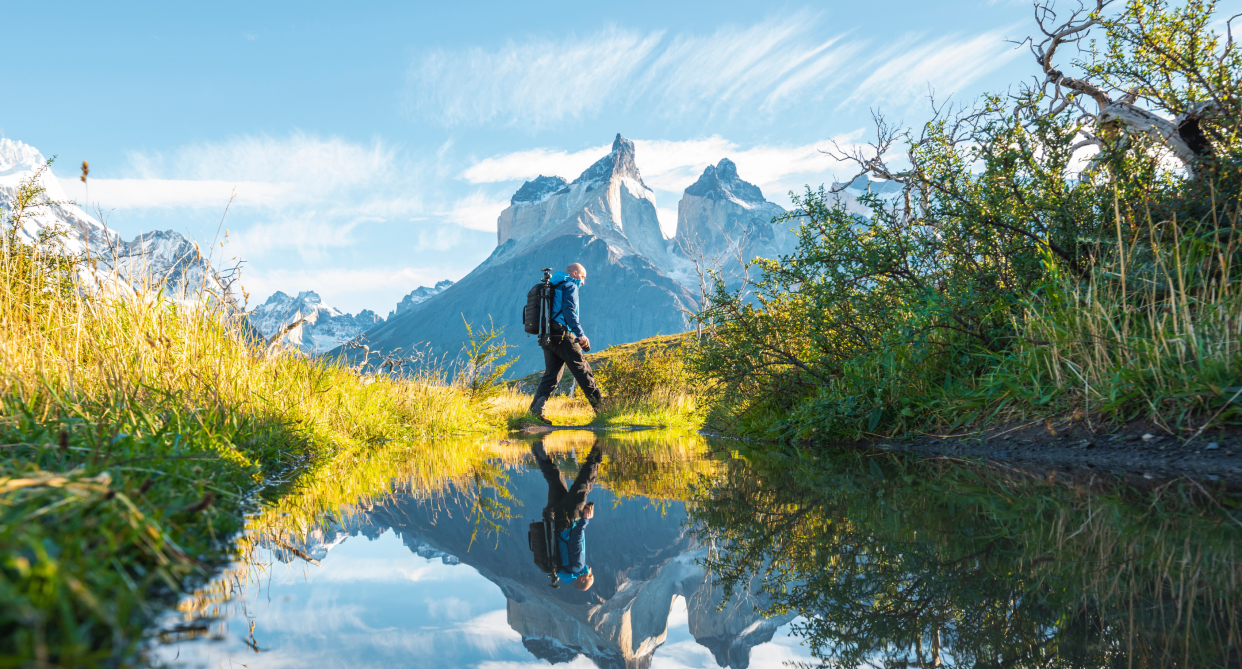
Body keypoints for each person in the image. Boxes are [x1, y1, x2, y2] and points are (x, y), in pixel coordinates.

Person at [529, 263, 603, 425]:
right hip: (563, 335)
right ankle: (603, 410)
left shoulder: (552, 286)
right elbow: (568, 311)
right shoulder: (569, 285)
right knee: (583, 370)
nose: (583, 282)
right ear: (575, 273)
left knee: (552, 375)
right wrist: (580, 335)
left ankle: (535, 412)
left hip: (547, 336)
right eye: (583, 277)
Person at [532, 440, 602, 591]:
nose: (590, 569)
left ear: (583, 578)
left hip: (568, 518)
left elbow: (575, 543)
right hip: (552, 518)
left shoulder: (577, 567)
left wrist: (585, 520)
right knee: (554, 478)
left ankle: (601, 445)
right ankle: (538, 447)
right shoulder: (560, 571)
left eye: (590, 574)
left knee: (585, 482)